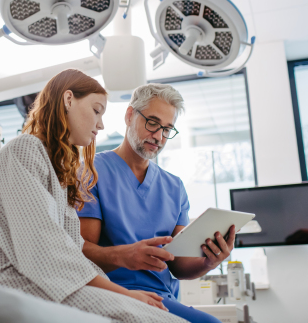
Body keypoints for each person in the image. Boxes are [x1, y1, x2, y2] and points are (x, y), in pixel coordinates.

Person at [0, 70, 188, 323]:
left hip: (49, 283)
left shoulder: (59, 175)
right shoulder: (25, 149)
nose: (100, 125)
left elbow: (73, 251)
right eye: (96, 111)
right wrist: (125, 294)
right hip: (15, 284)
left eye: (167, 129)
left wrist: (125, 295)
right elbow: (46, 252)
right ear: (68, 100)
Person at [77, 83, 236, 323]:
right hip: (111, 292)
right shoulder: (91, 172)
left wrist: (209, 262)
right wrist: (124, 255)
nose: (159, 137)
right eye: (152, 123)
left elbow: (179, 266)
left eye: (167, 129)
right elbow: (81, 251)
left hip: (162, 300)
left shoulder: (174, 187)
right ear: (130, 115)